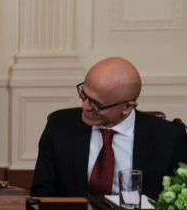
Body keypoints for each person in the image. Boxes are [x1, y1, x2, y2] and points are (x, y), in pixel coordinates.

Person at [32, 57, 187, 198]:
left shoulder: (170, 137)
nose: (84, 106)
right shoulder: (59, 126)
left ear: (127, 107)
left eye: (96, 104)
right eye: (83, 94)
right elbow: (42, 194)